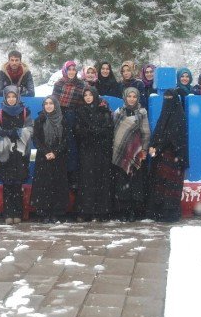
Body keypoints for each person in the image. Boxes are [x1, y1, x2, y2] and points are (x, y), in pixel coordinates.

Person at [0, 86, 33, 225]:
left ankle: (18, 213)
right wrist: (6, 137)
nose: (11, 99)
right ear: (5, 97)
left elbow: (30, 130)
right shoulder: (0, 113)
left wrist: (18, 133)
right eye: (8, 97)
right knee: (7, 185)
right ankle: (8, 213)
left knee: (18, 184)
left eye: (13, 96)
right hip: (6, 153)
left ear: (18, 97)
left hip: (20, 153)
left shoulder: (25, 112)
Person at [146, 89, 188, 222]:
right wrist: (153, 145)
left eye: (170, 97)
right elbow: (158, 131)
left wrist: (158, 148)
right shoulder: (164, 114)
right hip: (161, 157)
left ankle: (169, 213)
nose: (168, 99)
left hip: (173, 156)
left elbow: (173, 136)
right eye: (166, 97)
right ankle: (158, 212)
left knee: (170, 186)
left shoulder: (179, 115)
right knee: (160, 185)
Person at [74, 87, 114, 222]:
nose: (88, 97)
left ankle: (101, 211)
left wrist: (95, 131)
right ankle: (86, 210)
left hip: (102, 151)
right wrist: (93, 132)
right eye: (85, 95)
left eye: (90, 94)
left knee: (101, 179)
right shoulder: (80, 111)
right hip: (86, 150)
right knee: (87, 180)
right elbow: (78, 131)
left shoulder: (103, 110)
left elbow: (108, 129)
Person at [112, 87, 150, 221]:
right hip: (121, 152)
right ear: (125, 97)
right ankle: (123, 210)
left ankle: (133, 211)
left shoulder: (142, 112)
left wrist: (144, 149)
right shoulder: (118, 112)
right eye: (129, 96)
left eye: (134, 96)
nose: (132, 99)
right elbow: (115, 132)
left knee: (135, 183)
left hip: (136, 153)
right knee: (122, 183)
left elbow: (146, 133)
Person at [31, 96, 69, 223]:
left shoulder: (63, 120)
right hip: (44, 157)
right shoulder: (39, 120)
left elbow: (66, 140)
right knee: (44, 185)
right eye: (46, 103)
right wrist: (46, 152)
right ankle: (44, 213)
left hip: (59, 157)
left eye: (51, 103)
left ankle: (56, 213)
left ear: (56, 105)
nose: (48, 106)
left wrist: (56, 152)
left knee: (57, 185)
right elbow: (35, 139)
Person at [52, 60, 86, 190]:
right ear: (65, 70)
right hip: (60, 117)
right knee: (59, 144)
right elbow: (54, 102)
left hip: (74, 117)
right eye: (69, 69)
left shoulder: (81, 85)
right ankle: (60, 176)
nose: (71, 72)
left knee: (72, 146)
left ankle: (72, 176)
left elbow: (87, 99)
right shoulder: (59, 84)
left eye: (73, 69)